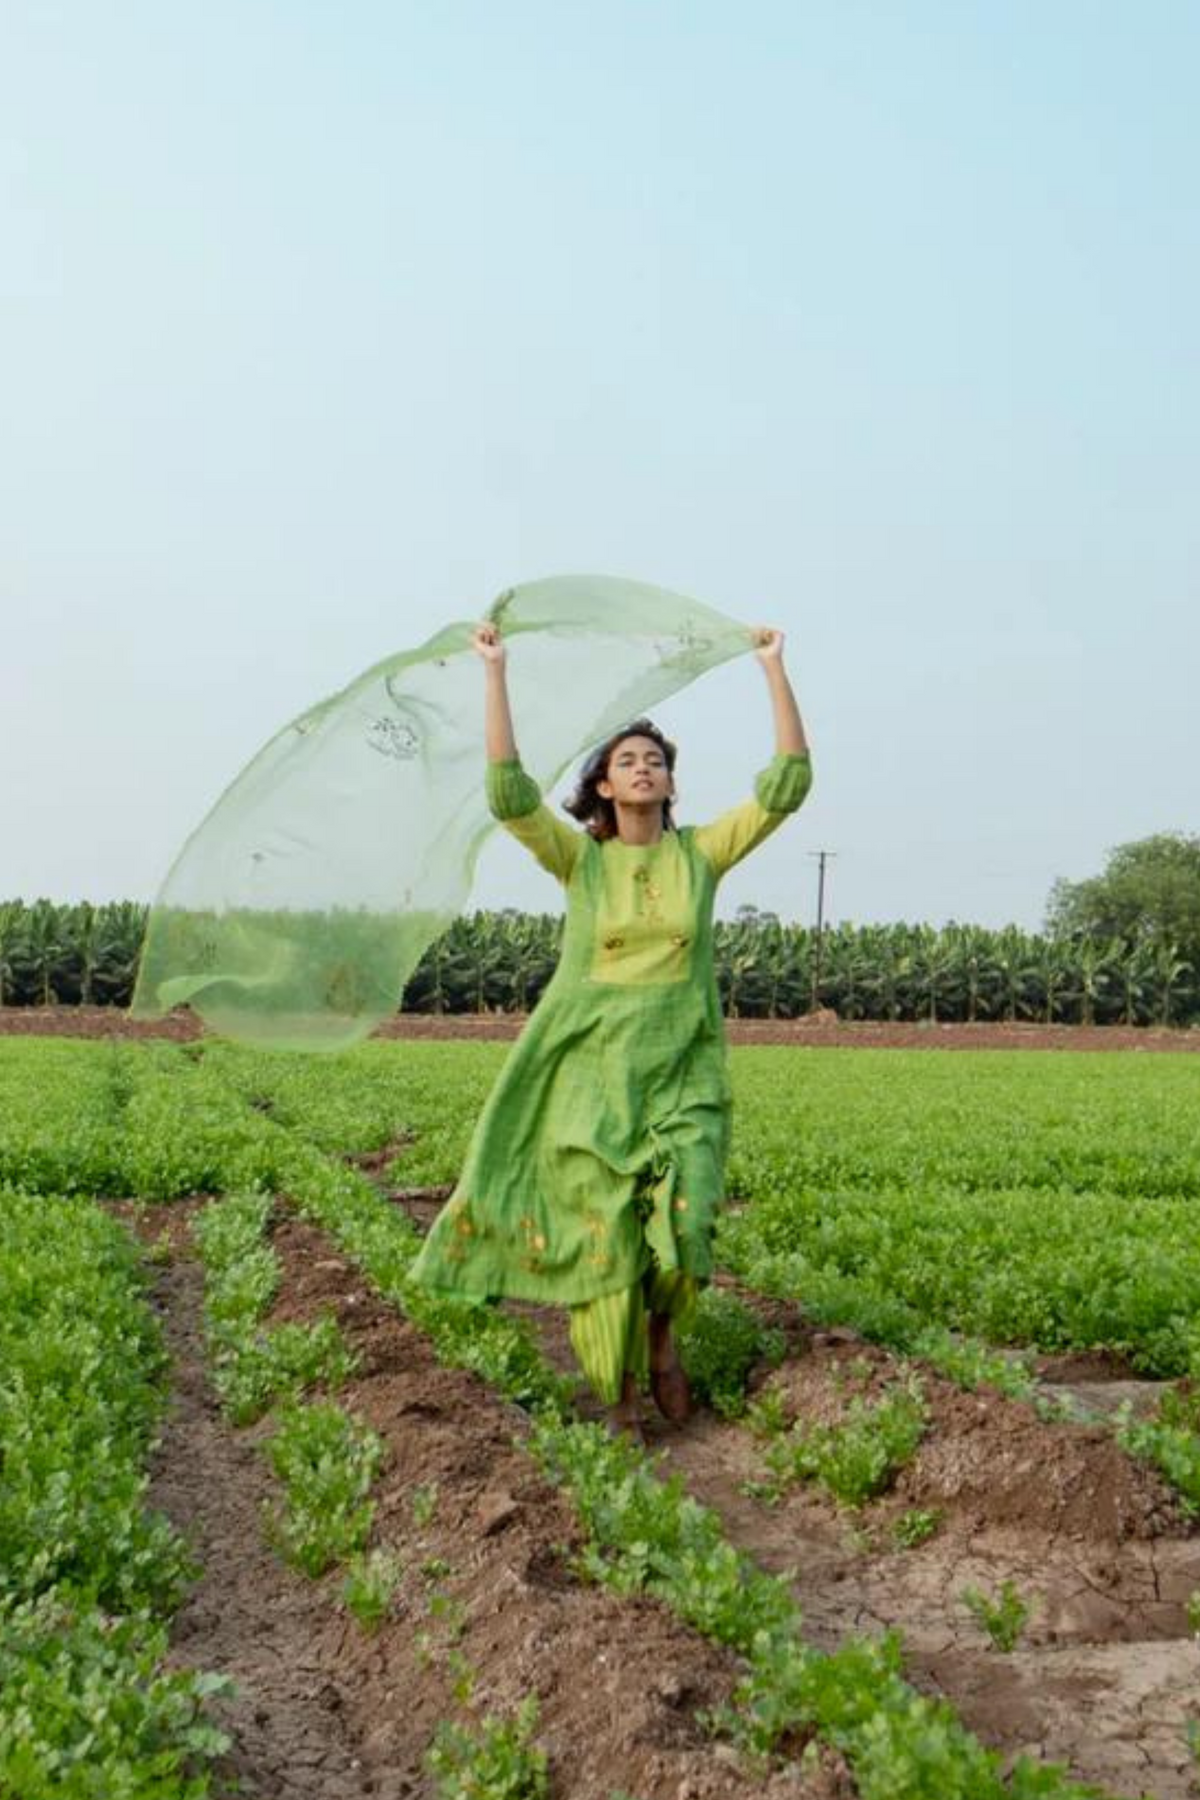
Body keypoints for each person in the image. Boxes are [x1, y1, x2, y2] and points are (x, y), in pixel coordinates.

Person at [410, 620, 812, 1438]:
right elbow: (507, 796)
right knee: (608, 1247)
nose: (644, 767)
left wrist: (773, 668)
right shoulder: (581, 863)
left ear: (669, 785)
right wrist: (496, 673)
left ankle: (663, 1343)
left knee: (689, 1221)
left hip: (684, 1072)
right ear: (600, 786)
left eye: (655, 760)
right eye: (626, 759)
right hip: (593, 1076)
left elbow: (788, 786)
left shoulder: (700, 857)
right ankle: (617, 1397)